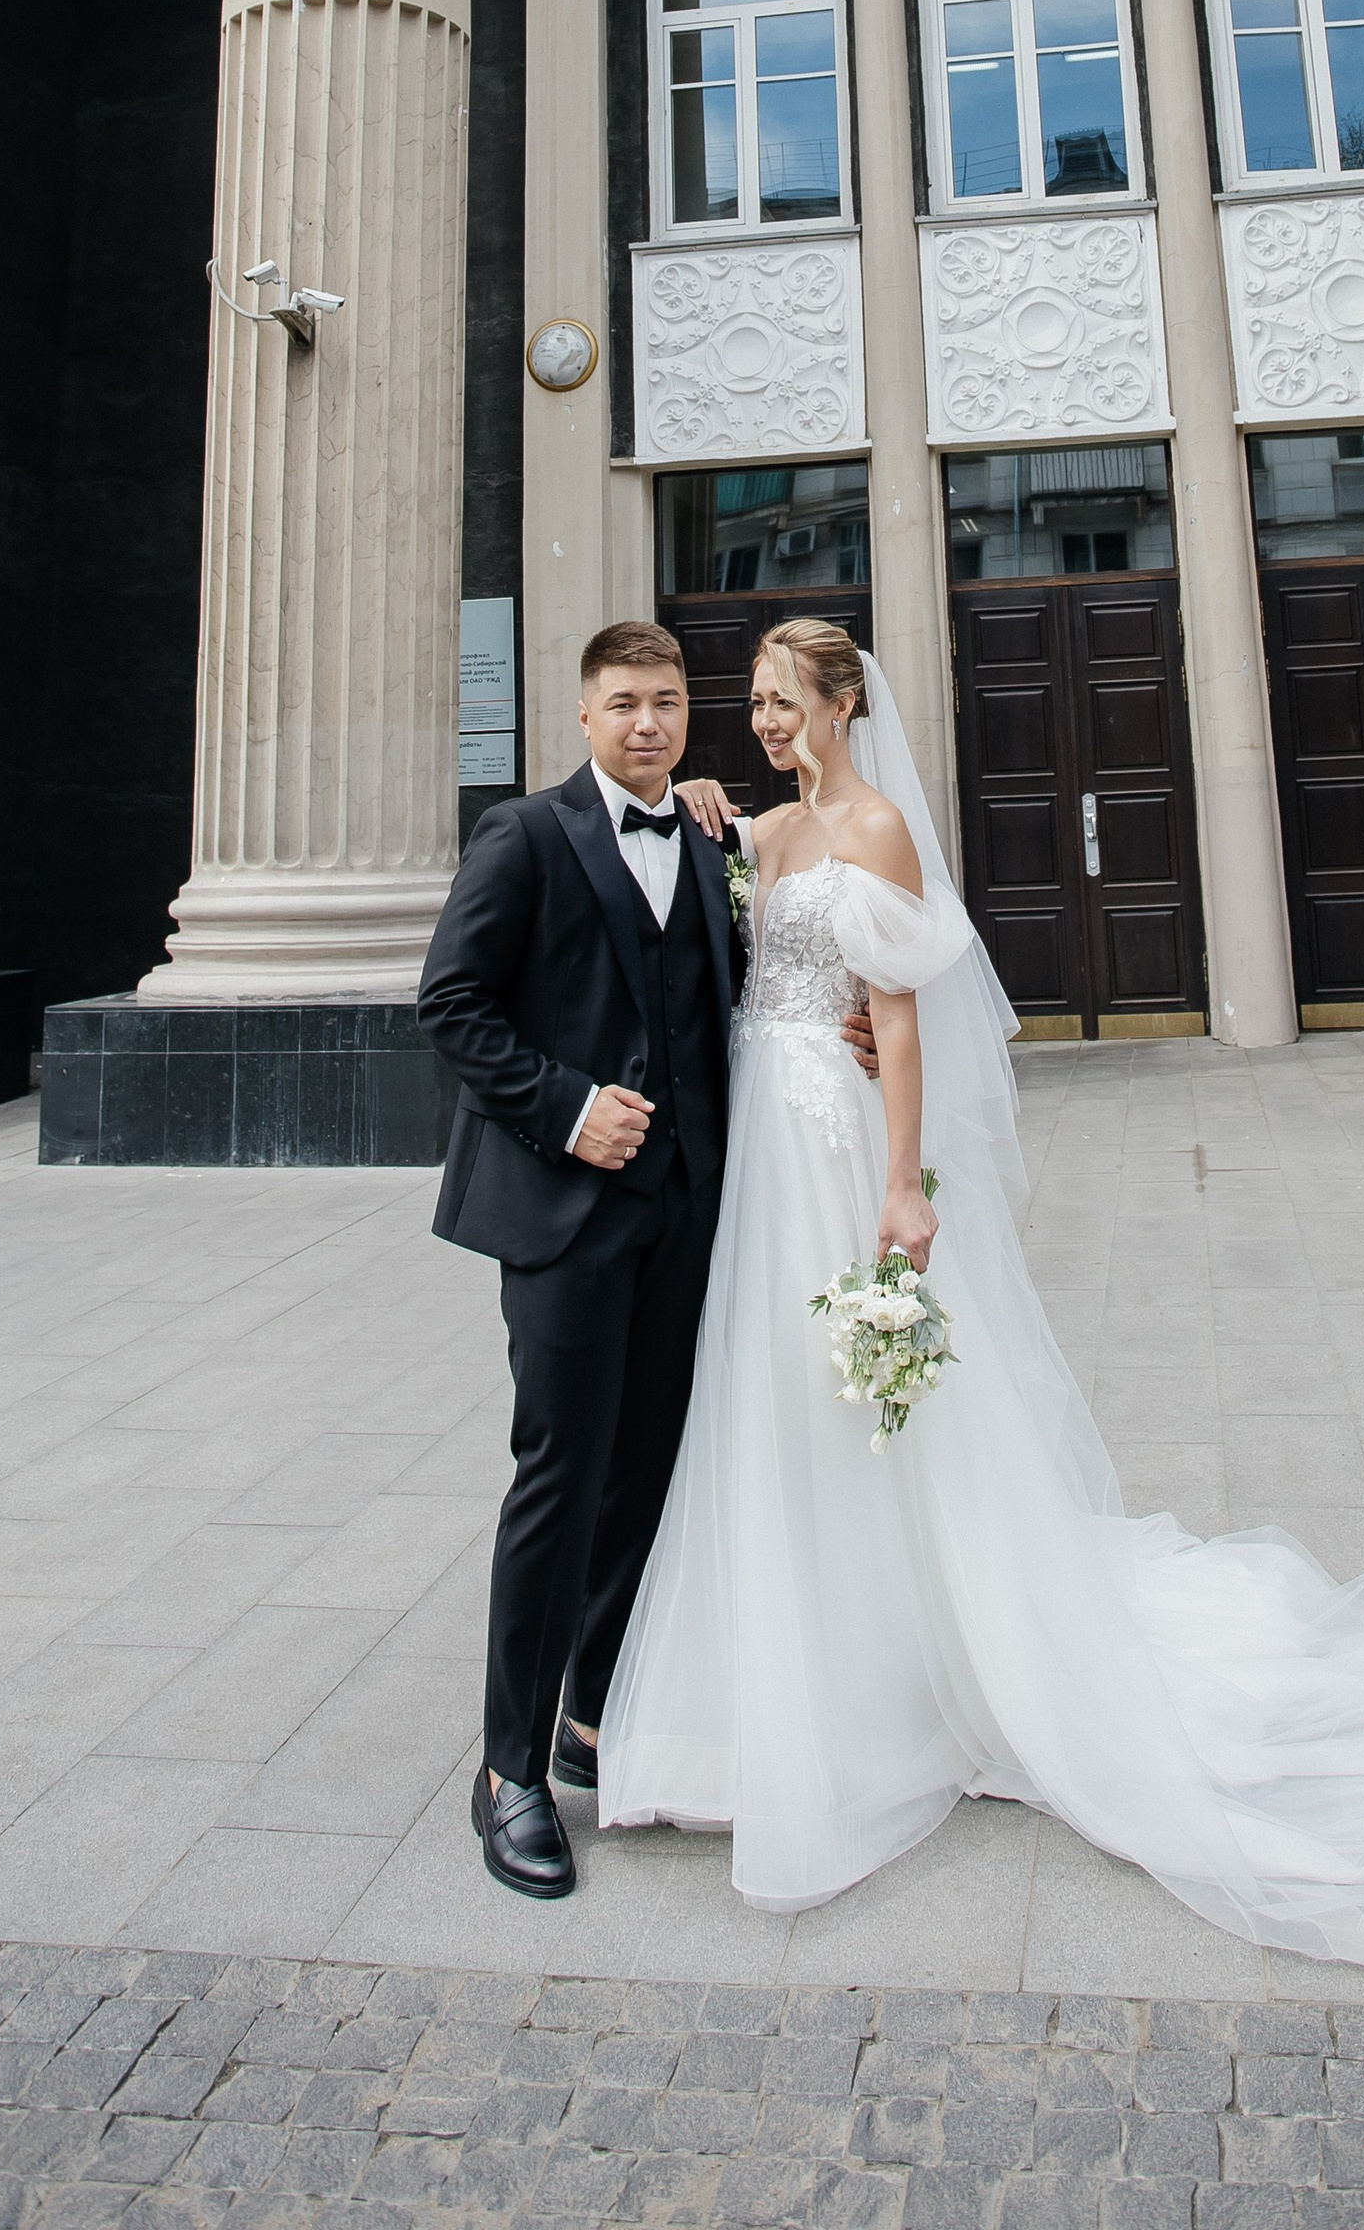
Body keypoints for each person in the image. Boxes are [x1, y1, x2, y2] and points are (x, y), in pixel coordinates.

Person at [600, 618, 1364, 1973]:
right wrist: (700, 799)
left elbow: (909, 1016)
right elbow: (719, 892)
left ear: (839, 701)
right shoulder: (764, 828)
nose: (756, 721)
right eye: (745, 704)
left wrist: (906, 1187)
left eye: (777, 701)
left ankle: (932, 1679)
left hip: (834, 1145)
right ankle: (790, 1679)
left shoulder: (873, 828)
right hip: (763, 1141)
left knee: (876, 1411)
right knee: (775, 1404)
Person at [414, 617, 871, 1899]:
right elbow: (450, 1004)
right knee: (559, 1474)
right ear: (583, 714)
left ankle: (591, 1712)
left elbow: (750, 990)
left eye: (666, 702)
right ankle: (506, 1773)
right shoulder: (525, 837)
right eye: (623, 703)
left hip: (691, 1218)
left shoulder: (716, 835)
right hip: (562, 1220)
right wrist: (563, 1105)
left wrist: (859, 1032)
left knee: (651, 1475)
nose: (648, 724)